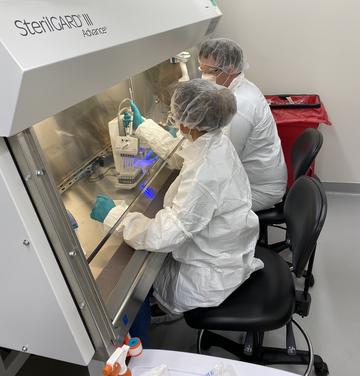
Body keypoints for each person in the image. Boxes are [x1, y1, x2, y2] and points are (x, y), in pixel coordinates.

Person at [91, 79, 263, 317]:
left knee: (133, 286)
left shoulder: (205, 171)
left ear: (189, 123)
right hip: (226, 248)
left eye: (175, 116)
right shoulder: (215, 140)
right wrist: (144, 127)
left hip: (210, 276)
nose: (174, 120)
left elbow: (166, 235)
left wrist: (115, 216)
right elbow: (181, 154)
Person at [198, 38, 287, 211]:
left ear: (230, 69)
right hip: (253, 178)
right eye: (201, 68)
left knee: (203, 211)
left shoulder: (241, 105)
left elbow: (224, 159)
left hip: (259, 190)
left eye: (211, 71)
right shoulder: (237, 88)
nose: (204, 76)